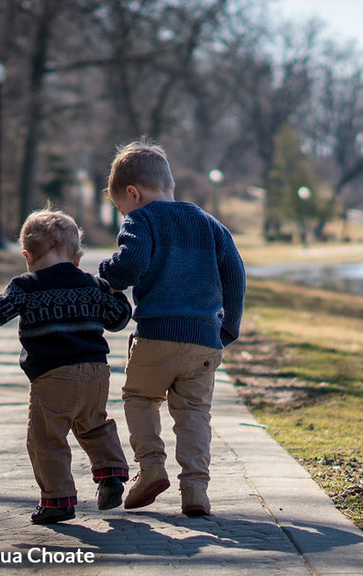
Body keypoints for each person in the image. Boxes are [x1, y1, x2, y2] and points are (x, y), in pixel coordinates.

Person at [0, 209, 132, 525]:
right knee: (94, 424)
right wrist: (117, 292)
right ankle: (111, 475)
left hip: (53, 376)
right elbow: (118, 319)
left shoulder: (25, 286)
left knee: (46, 438)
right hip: (96, 373)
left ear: (27, 256)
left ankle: (58, 500)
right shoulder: (93, 285)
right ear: (77, 257)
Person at [98, 140, 245, 517]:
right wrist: (229, 327)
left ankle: (151, 468)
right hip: (204, 340)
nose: (123, 214)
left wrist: (106, 273)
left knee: (139, 397)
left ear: (134, 193)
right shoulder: (208, 223)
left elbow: (128, 266)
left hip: (157, 335)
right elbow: (235, 273)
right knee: (195, 412)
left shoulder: (141, 220)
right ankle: (195, 489)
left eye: (120, 207)